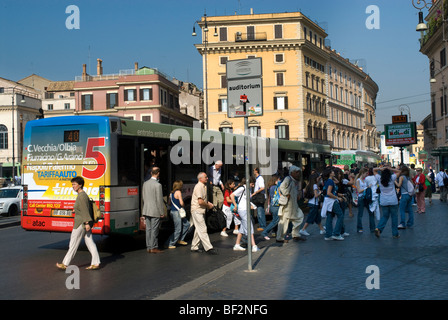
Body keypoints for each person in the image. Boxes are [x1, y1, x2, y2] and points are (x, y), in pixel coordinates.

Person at [56, 176, 100, 270]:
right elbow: (82, 209)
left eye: (74, 184)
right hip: (83, 222)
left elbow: (85, 210)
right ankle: (96, 263)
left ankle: (65, 263)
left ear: (80, 185)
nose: (73, 186)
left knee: (73, 243)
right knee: (90, 242)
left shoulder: (81, 196)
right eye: (72, 184)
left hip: (81, 223)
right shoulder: (82, 195)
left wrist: (87, 223)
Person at [276, 165, 306, 243]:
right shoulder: (288, 179)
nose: (298, 174)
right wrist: (286, 194)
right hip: (287, 205)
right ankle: (280, 238)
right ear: (292, 172)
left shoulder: (294, 180)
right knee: (284, 222)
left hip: (293, 205)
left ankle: (295, 234)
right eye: (297, 172)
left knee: (299, 217)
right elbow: (282, 187)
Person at [190, 172, 218, 255]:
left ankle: (194, 246)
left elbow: (203, 200)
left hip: (199, 210)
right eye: (205, 177)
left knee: (198, 229)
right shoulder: (199, 187)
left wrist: (208, 203)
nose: (207, 178)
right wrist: (208, 206)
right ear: (200, 179)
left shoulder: (203, 186)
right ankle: (209, 248)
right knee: (203, 228)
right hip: (197, 210)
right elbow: (200, 201)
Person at [231, 178, 260, 252]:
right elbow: (232, 195)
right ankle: (254, 246)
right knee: (249, 226)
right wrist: (235, 205)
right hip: (242, 210)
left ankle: (237, 244)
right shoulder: (242, 188)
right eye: (252, 184)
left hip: (245, 209)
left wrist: (250, 205)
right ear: (249, 182)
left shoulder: (248, 189)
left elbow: (246, 200)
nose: (253, 186)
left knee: (243, 227)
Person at [142, 167, 166, 253]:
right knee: (154, 230)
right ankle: (154, 247)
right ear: (158, 173)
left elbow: (144, 197)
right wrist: (162, 212)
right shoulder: (158, 185)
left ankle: (148, 247)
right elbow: (159, 200)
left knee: (148, 229)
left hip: (147, 209)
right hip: (155, 210)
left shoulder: (145, 183)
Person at [374, 166, 401, 239]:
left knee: (385, 216)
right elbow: (399, 171)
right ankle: (395, 234)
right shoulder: (392, 178)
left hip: (384, 200)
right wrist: (391, 169)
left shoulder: (379, 179)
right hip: (393, 200)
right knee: (394, 217)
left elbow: (374, 170)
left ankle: (378, 228)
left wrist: (380, 169)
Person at [320, 167, 345, 241]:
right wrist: (337, 198)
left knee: (330, 216)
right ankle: (336, 233)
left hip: (328, 201)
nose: (334, 172)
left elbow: (337, 182)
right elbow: (329, 193)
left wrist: (332, 177)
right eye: (332, 172)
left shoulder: (328, 181)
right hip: (332, 201)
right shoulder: (330, 182)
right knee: (340, 215)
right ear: (330, 173)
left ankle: (328, 235)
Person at [166, 180, 190, 248]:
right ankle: (169, 243)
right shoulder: (178, 192)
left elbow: (169, 203)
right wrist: (183, 206)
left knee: (187, 224)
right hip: (177, 212)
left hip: (173, 212)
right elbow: (181, 202)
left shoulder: (171, 193)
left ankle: (180, 239)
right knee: (178, 229)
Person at [262, 175, 282, 240]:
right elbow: (279, 196)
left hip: (272, 206)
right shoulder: (275, 187)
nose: (279, 181)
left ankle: (276, 232)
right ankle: (265, 232)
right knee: (275, 221)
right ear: (275, 181)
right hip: (275, 206)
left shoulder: (270, 187)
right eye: (278, 180)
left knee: (275, 220)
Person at [355, 168, 375, 233]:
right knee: (360, 214)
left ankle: (372, 228)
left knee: (370, 212)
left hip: (365, 198)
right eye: (366, 173)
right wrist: (367, 187)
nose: (367, 175)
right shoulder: (358, 181)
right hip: (361, 198)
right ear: (362, 173)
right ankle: (359, 228)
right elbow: (359, 190)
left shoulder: (364, 180)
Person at [251, 167, 266, 231]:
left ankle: (262, 226)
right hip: (258, 196)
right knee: (259, 211)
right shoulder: (257, 179)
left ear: (256, 171)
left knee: (260, 211)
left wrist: (255, 193)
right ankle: (261, 225)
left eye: (254, 170)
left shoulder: (260, 178)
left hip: (260, 196)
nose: (253, 171)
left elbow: (262, 187)